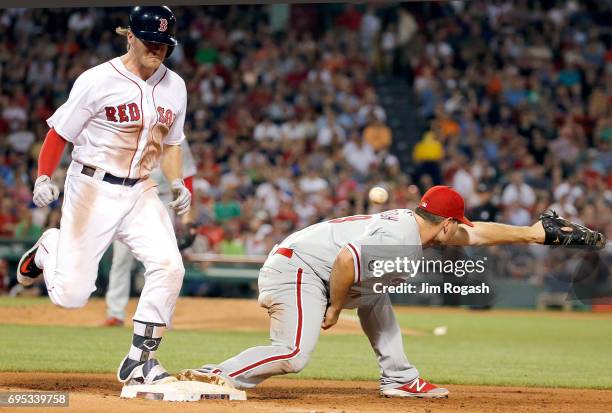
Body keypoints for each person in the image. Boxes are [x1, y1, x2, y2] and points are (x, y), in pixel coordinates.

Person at [177, 186, 605, 398]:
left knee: (377, 293)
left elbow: (481, 236)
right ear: (447, 223)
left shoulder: (424, 226)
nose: (462, 233)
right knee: (293, 355)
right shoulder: (399, 239)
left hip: (311, 267)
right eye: (459, 225)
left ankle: (399, 379)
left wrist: (532, 234)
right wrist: (335, 308)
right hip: (299, 270)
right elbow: (346, 260)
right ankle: (219, 374)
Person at [16, 6, 191, 388]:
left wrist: (179, 184)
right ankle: (50, 245)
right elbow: (60, 132)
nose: (157, 49)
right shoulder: (97, 80)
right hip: (92, 187)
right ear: (130, 36)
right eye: (150, 41)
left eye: (164, 43)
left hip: (142, 189)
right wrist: (44, 175)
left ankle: (140, 361)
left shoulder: (175, 86)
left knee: (170, 266)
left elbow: (173, 143)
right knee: (71, 297)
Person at [104, 139, 197, 326]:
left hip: (161, 200)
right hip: (129, 197)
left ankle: (160, 317)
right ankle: (115, 313)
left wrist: (188, 220)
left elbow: (186, 177)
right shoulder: (132, 125)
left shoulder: (177, 135)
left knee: (163, 261)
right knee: (121, 259)